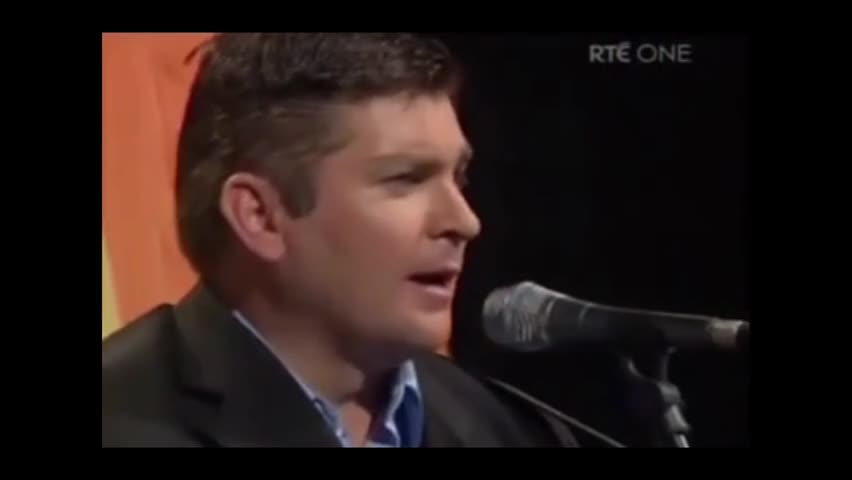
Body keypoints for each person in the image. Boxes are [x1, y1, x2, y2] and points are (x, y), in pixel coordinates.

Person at [101, 33, 581, 448]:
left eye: (459, 178)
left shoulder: (506, 426)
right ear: (261, 217)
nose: (465, 221)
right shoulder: (123, 421)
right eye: (406, 179)